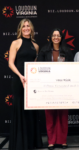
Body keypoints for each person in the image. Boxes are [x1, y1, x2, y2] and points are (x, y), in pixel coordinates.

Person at [8, 19, 42, 150]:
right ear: (20, 29)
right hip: (19, 80)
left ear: (31, 29)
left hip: (31, 82)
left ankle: (31, 142)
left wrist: (32, 78)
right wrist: (21, 76)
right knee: (20, 109)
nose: (26, 28)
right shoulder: (15, 43)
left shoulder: (36, 45)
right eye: (24, 26)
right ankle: (20, 143)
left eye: (28, 26)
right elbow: (11, 63)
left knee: (30, 110)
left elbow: (33, 64)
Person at [37, 28, 73, 150]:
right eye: (54, 35)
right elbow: (39, 68)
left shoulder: (67, 51)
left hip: (64, 86)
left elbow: (72, 69)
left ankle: (63, 140)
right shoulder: (44, 51)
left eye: (58, 35)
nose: (56, 37)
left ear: (61, 37)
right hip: (48, 86)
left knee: (63, 114)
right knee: (50, 114)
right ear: (51, 37)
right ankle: (51, 141)